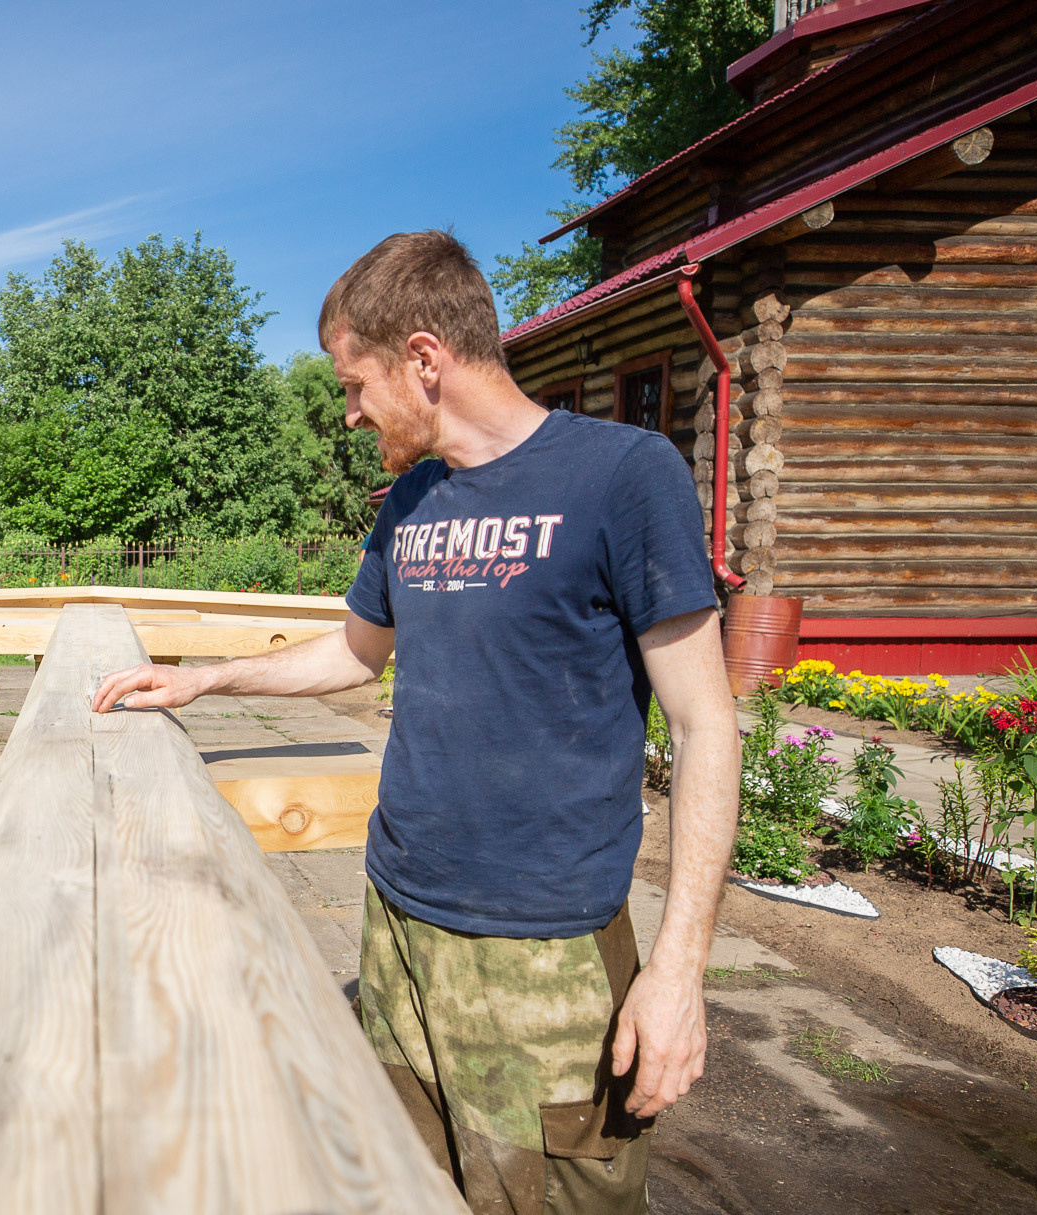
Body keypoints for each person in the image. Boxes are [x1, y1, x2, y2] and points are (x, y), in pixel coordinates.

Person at [92, 232, 739, 1215]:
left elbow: (703, 727)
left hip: (538, 955)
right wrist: (204, 679)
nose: (348, 413)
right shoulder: (413, 500)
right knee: (396, 1187)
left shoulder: (619, 477)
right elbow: (356, 650)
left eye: (354, 385)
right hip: (394, 923)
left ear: (423, 360)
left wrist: (679, 971)